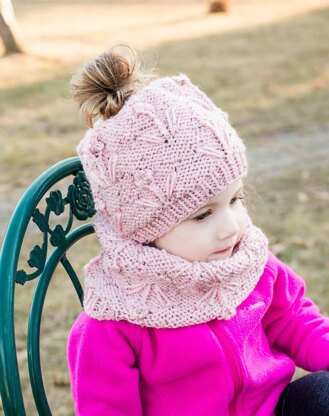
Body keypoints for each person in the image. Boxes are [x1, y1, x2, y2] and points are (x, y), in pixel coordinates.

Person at [67, 45, 329, 416]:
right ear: (145, 230)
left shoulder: (248, 265)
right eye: (203, 215)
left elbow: (296, 322)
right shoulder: (114, 324)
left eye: (235, 200)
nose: (231, 228)